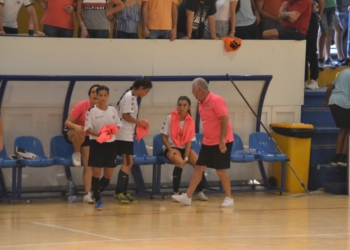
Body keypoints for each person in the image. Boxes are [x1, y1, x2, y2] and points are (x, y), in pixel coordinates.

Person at [172, 78, 234, 207]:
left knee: (220, 170)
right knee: (199, 167)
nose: (192, 92)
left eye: (193, 90)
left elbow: (224, 120)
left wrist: (222, 140)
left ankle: (229, 197)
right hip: (208, 142)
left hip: (221, 141)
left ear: (200, 90)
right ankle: (188, 197)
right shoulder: (200, 103)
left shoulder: (216, 100)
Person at [160, 96, 208, 201]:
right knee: (180, 163)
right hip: (171, 147)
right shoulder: (170, 117)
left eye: (184, 105)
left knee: (199, 164)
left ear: (188, 107)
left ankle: (199, 192)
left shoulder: (190, 121)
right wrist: (171, 150)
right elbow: (163, 137)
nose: (181, 107)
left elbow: (188, 142)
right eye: (179, 105)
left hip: (184, 148)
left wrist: (186, 156)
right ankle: (176, 193)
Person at [113, 78, 153, 203]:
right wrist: (139, 123)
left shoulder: (131, 96)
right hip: (124, 134)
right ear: (141, 88)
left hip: (126, 134)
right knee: (128, 163)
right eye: (146, 91)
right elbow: (125, 115)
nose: (146, 94)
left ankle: (123, 192)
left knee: (128, 163)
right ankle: (119, 192)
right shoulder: (130, 96)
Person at [85, 85, 122, 211]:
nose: (102, 97)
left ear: (108, 96)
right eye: (99, 95)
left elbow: (118, 125)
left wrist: (112, 131)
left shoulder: (112, 110)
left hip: (111, 144)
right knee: (96, 172)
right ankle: (98, 199)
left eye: (104, 95)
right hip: (97, 144)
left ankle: (95, 193)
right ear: (96, 96)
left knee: (108, 175)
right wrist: (98, 134)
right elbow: (88, 128)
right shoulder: (92, 111)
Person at [64, 84, 100, 203]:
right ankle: (76, 152)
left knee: (89, 165)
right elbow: (68, 122)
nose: (95, 94)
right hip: (74, 132)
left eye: (98, 92)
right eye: (93, 92)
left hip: (90, 136)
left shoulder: (104, 109)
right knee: (80, 131)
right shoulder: (81, 105)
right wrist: (77, 127)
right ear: (89, 95)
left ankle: (88, 194)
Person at [323, 69, 350, 166]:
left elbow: (329, 89)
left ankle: (336, 158)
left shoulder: (342, 73)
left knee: (343, 129)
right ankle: (343, 157)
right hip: (344, 103)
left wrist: (326, 102)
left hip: (333, 101)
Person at [305, 0, 324, 90]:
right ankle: (304, 79)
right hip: (301, 18)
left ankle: (314, 79)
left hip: (311, 19)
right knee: (302, 51)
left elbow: (322, 2)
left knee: (312, 50)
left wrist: (319, 15)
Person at [317, 0, 336, 67]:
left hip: (332, 6)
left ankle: (328, 57)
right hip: (322, 6)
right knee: (325, 31)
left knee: (330, 32)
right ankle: (320, 57)